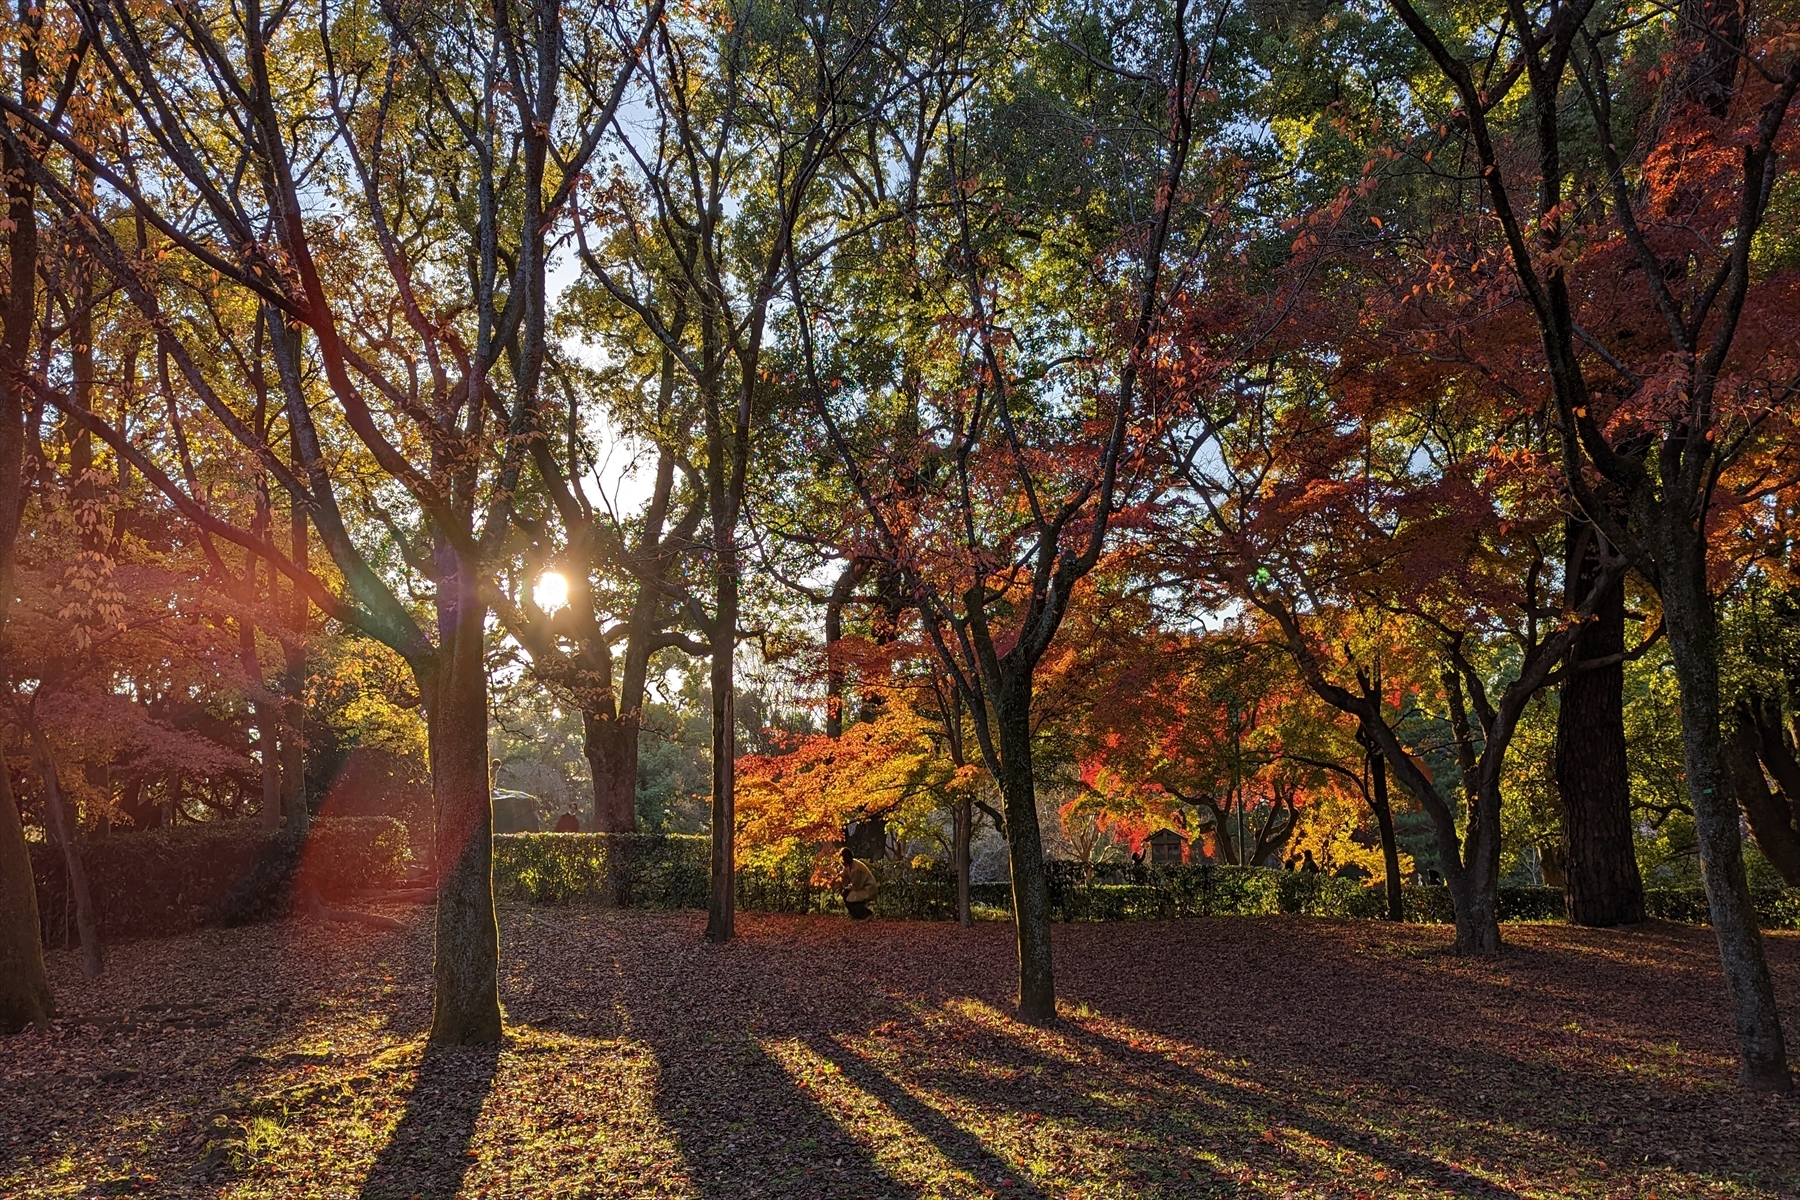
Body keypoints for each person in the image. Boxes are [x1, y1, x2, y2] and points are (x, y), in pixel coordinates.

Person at [840, 845, 878, 920]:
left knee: (849, 898)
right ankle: (856, 916)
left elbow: (856, 885)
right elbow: (843, 875)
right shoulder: (850, 866)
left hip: (868, 888)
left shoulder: (856, 868)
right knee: (846, 894)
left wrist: (847, 888)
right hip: (862, 887)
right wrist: (833, 877)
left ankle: (867, 914)